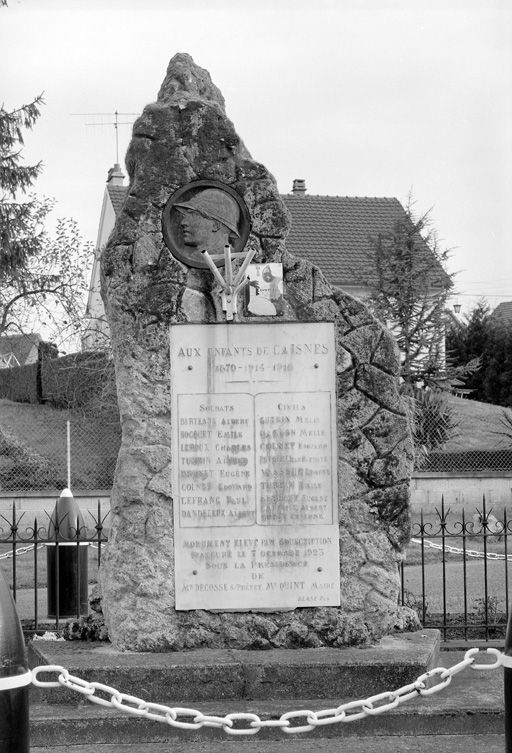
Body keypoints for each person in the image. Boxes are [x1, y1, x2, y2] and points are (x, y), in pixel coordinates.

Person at [174, 188, 240, 262]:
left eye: (192, 216)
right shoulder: (196, 257)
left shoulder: (204, 258)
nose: (183, 222)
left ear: (216, 225)